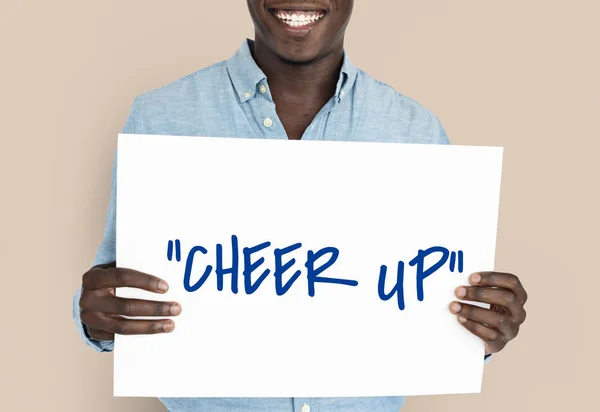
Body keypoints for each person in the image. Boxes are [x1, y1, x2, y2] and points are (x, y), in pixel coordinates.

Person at [73, 1, 528, 411]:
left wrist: (482, 331)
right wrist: (95, 318)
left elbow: (438, 309)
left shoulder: (418, 132)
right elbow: (113, 287)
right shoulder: (158, 117)